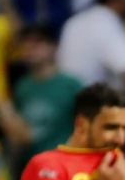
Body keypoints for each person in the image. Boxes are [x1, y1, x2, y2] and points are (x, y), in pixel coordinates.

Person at [14, 24, 83, 167]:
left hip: (64, 164)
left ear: (53, 47)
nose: (30, 49)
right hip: (31, 164)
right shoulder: (22, 87)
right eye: (25, 44)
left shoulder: (71, 85)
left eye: (38, 43)